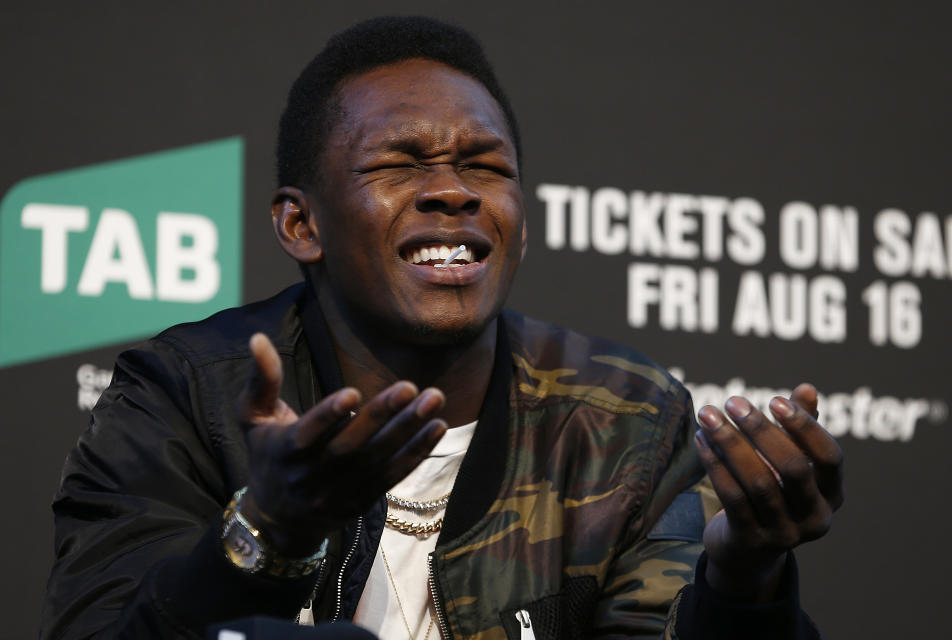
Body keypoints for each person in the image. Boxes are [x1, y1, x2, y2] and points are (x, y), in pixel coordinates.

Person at [40, 16, 843, 640]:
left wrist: (743, 577)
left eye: (486, 167)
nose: (453, 192)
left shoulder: (622, 421)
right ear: (300, 225)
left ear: (520, 230)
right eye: (399, 164)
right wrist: (271, 526)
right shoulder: (184, 395)